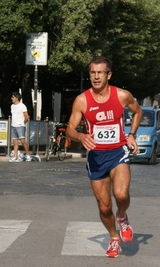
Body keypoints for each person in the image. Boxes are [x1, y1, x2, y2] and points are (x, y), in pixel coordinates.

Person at [65, 56, 142, 258]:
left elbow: (138, 112)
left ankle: (122, 216)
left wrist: (131, 135)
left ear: (108, 74)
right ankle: (114, 237)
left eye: (100, 72)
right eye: (92, 72)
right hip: (96, 158)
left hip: (118, 152)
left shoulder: (122, 96)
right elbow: (69, 130)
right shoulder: (82, 100)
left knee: (121, 195)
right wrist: (81, 135)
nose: (96, 76)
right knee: (104, 206)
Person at [8, 92, 36, 162]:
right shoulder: (12, 106)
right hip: (13, 125)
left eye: (13, 97)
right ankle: (15, 156)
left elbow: (26, 116)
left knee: (23, 141)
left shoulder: (22, 106)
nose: (12, 98)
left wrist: (23, 122)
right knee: (15, 142)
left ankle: (28, 155)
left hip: (20, 126)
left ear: (17, 98)